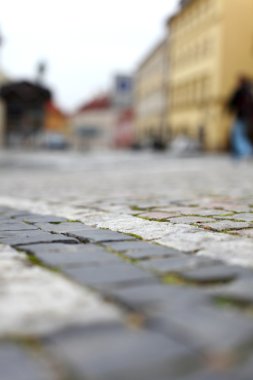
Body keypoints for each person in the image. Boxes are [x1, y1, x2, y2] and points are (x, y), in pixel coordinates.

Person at [227, 76, 253, 158]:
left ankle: (247, 151)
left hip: (241, 116)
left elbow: (232, 102)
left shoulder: (240, 91)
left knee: (237, 134)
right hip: (248, 116)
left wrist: (228, 110)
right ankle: (242, 153)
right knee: (242, 134)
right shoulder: (249, 91)